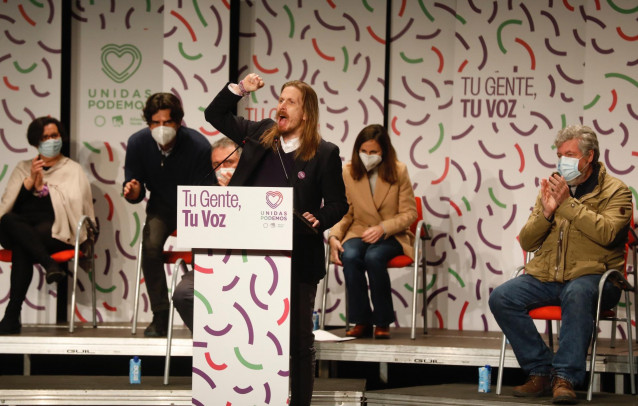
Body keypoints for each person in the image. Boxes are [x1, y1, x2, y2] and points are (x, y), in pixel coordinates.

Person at [204, 73, 348, 406]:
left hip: (297, 257)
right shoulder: (260, 134)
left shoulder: (324, 153)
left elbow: (339, 203)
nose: (280, 105)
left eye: (290, 102)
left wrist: (320, 218)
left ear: (306, 114)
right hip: (248, 254)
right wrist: (240, 90)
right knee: (238, 329)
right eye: (280, 99)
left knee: (298, 339)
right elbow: (214, 115)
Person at [489, 125, 632, 404]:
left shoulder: (616, 191)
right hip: (548, 275)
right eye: (559, 154)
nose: (562, 160)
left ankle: (565, 377)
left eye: (570, 154)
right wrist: (546, 211)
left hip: (597, 276)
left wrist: (567, 205)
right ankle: (540, 371)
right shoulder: (553, 186)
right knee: (502, 297)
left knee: (576, 293)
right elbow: (528, 242)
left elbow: (608, 233)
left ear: (589, 157)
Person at [123, 92, 213, 337]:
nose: (161, 128)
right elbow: (135, 190)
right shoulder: (138, 143)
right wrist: (132, 190)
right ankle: (160, 315)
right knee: (150, 247)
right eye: (155, 123)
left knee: (207, 253)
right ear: (149, 124)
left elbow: (207, 191)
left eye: (167, 122)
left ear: (178, 122)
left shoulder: (198, 145)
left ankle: (208, 314)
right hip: (161, 205)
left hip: (196, 207)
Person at [0, 116, 95, 335]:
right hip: (20, 228)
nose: (51, 140)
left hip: (55, 231)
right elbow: (9, 205)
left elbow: (77, 206)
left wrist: (47, 190)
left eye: (54, 135)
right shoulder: (24, 167)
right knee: (8, 221)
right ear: (35, 142)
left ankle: (12, 316)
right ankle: (49, 263)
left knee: (23, 247)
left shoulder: (72, 169)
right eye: (45, 137)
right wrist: (31, 180)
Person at [328, 124, 417, 339]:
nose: (368, 156)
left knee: (374, 256)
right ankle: (362, 321)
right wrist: (333, 236)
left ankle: (382, 321)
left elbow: (409, 213)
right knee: (350, 254)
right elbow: (345, 211)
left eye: (374, 152)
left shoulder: (399, 170)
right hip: (359, 231)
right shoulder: (348, 171)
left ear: (384, 151)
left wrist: (383, 228)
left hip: (391, 234)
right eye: (364, 151)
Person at [172, 137, 242, 331]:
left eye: (228, 162)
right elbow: (195, 238)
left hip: (246, 269)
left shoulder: (256, 191)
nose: (222, 168)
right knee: (183, 294)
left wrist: (235, 194)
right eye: (216, 164)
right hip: (209, 268)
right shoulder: (202, 196)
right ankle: (209, 337)